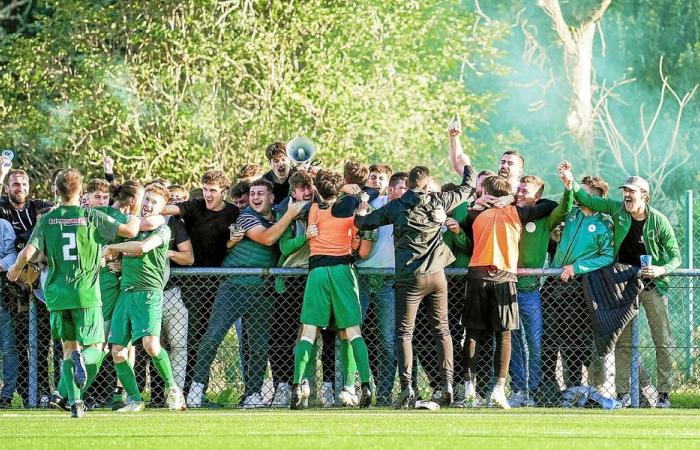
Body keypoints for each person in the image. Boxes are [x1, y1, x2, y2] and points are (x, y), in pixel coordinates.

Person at [355, 142, 477, 408]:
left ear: (408, 183)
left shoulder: (396, 207)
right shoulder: (438, 200)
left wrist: (361, 210)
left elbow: (363, 223)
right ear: (427, 184)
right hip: (436, 276)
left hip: (410, 278)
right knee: (442, 330)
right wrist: (466, 164)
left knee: (404, 334)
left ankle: (407, 388)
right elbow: (468, 187)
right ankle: (447, 385)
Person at [7, 169, 133, 418]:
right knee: (97, 347)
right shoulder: (91, 216)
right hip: (85, 293)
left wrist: (15, 269)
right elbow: (128, 232)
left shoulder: (46, 220)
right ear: (81, 191)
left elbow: (27, 253)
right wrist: (134, 212)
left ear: (56, 190)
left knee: (68, 348)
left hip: (56, 295)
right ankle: (83, 361)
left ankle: (75, 403)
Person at [186, 179, 307, 408]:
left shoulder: (280, 216)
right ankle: (196, 390)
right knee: (213, 337)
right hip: (233, 286)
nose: (255, 197)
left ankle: (253, 394)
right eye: (253, 193)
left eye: (261, 193)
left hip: (262, 291)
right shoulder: (246, 217)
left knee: (259, 346)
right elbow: (268, 237)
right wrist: (290, 215)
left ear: (272, 198)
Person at [569, 166, 682, 408]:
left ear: (645, 195)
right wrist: (570, 181)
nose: (627, 196)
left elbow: (676, 256)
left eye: (631, 192)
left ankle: (664, 395)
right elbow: (587, 199)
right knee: (623, 341)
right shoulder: (617, 210)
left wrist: (661, 269)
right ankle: (623, 394)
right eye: (625, 192)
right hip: (624, 285)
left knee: (662, 339)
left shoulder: (659, 221)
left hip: (653, 286)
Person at [459, 175, 557, 409]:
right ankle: (498, 390)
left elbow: (463, 220)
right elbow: (550, 205)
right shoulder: (516, 213)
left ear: (486, 192)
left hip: (477, 275)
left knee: (473, 333)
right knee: (504, 335)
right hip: (504, 277)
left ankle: (469, 388)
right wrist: (510, 200)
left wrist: (479, 203)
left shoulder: (475, 214)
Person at [291, 170, 373, 410]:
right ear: (340, 190)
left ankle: (297, 387)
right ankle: (364, 385)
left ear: (317, 188)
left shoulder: (314, 210)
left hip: (317, 272)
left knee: (308, 332)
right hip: (342, 270)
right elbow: (358, 240)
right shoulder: (351, 212)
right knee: (353, 331)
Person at [104, 183, 187, 412]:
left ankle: (173, 390)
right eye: (147, 199)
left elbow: (141, 248)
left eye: (155, 202)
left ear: (162, 208)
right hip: (125, 293)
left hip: (149, 292)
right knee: (118, 351)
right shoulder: (131, 226)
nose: (149, 205)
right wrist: (116, 261)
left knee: (151, 345)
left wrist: (112, 248)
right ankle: (134, 399)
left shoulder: (163, 230)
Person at [159, 170, 239, 397]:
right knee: (189, 336)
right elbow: (168, 208)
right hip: (191, 281)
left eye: (213, 190)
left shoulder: (233, 212)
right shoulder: (194, 206)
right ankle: (183, 391)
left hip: (217, 281)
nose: (208, 194)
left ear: (224, 191)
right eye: (205, 189)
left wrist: (233, 241)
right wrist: (150, 205)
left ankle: (198, 389)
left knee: (209, 335)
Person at [538, 171, 615, 406]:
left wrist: (578, 266)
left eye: (588, 194)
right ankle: (547, 389)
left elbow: (608, 256)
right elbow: (563, 212)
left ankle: (575, 391)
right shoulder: (571, 215)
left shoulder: (603, 225)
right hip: (554, 283)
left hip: (580, 287)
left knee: (573, 342)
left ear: (599, 198)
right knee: (548, 337)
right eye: (580, 192)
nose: (582, 197)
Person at [508, 175, 573, 407]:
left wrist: (568, 187)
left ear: (537, 196)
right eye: (519, 189)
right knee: (512, 341)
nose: (520, 193)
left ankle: (534, 389)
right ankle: (518, 389)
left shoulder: (545, 219)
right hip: (507, 287)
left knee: (535, 342)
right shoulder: (508, 212)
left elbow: (564, 209)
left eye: (526, 191)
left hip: (530, 292)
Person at [0, 167, 53, 405]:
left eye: (23, 184)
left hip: (39, 283)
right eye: (15, 184)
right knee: (17, 343)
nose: (20, 189)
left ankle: (41, 390)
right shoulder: (2, 208)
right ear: (7, 188)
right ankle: (23, 389)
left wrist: (28, 237)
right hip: (12, 288)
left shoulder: (39, 206)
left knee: (41, 343)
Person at [356, 171, 407, 406]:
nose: (407, 194)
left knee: (387, 340)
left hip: (389, 282)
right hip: (362, 278)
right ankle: (351, 388)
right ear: (391, 190)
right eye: (403, 189)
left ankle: (384, 394)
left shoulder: (411, 211)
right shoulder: (371, 203)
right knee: (351, 335)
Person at [0, 218, 17, 408]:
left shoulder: (3, 225)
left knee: (8, 348)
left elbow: (13, 255)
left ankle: (6, 396)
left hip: (2, 293)